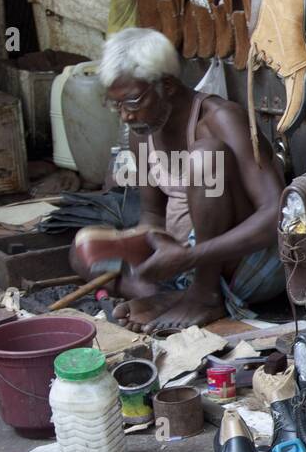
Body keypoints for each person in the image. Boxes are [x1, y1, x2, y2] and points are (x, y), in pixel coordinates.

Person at [80, 28, 285, 332]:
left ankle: (204, 296)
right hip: (185, 264)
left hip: (246, 263)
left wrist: (189, 257)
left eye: (132, 102)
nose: (124, 116)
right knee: (83, 249)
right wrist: (148, 242)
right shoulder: (144, 133)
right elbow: (152, 215)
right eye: (116, 106)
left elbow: (276, 217)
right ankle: (174, 295)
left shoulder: (220, 119)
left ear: (168, 85)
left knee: (206, 156)